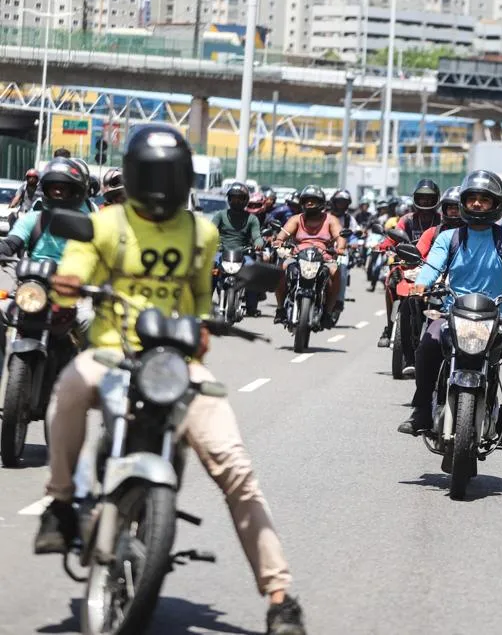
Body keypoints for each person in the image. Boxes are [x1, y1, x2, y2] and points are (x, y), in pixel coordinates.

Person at [33, 125, 306, 634]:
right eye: (152, 175)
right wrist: (65, 292)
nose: (160, 187)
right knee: (66, 391)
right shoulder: (105, 224)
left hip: (175, 364)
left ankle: (280, 596)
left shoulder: (200, 231)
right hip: (113, 353)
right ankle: (62, 501)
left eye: (169, 176)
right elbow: (73, 272)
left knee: (238, 471)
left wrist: (204, 331)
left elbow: (200, 301)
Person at [397, 171, 502, 444]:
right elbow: (432, 266)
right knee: (428, 343)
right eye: (472, 198)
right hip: (452, 312)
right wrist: (421, 285)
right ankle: (421, 411)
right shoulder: (449, 237)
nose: (477, 204)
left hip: (495, 316)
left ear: (496, 204)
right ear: (463, 201)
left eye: (484, 200)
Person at [376, 180, 442, 347]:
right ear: (415, 199)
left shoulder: (441, 220)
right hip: (408, 264)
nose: (425, 202)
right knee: (391, 281)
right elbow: (392, 237)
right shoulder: (407, 220)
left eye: (429, 198)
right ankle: (390, 326)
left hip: (436, 267)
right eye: (422, 198)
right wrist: (382, 245)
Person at [272, 185, 347, 325]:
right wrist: (279, 241)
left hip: (324, 257)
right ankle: (280, 308)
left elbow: (339, 235)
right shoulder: (296, 219)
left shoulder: (330, 220)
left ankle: (328, 312)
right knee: (281, 269)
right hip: (297, 256)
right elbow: (283, 234)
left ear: (322, 203)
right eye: (307, 200)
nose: (310, 203)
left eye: (313, 200)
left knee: (336, 271)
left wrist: (341, 247)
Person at [211, 183, 265, 316]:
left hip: (243, 254)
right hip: (221, 252)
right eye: (233, 198)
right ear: (229, 199)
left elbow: (257, 236)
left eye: (240, 198)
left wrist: (259, 242)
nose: (236, 201)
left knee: (254, 271)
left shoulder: (252, 218)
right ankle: (204, 302)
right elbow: (210, 230)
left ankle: (252, 307)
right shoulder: (220, 215)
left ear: (245, 200)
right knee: (210, 269)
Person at [415, 186, 464, 257]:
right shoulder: (432, 232)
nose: (453, 211)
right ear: (444, 210)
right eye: (450, 208)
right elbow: (417, 255)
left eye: (457, 208)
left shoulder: (473, 233)